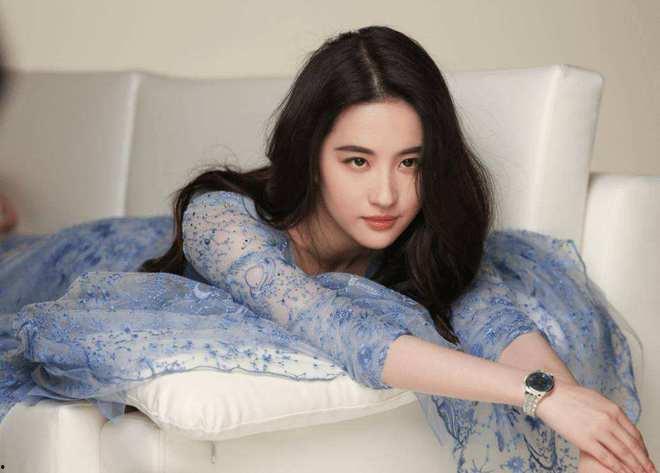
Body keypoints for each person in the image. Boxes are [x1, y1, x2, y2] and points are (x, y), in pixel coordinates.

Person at [0, 25, 653, 472]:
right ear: (309, 155)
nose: (388, 193)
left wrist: (584, 414)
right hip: (72, 263)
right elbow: (343, 332)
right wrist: (539, 396)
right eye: (357, 160)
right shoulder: (221, 219)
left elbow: (496, 320)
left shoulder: (417, 237)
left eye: (411, 162)